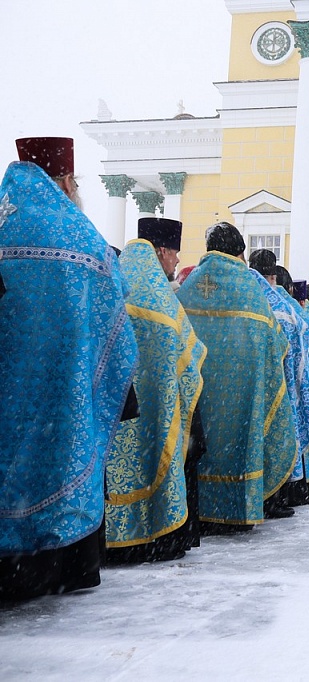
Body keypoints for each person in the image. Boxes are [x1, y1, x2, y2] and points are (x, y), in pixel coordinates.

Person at [0, 138, 139, 600]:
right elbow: (115, 330)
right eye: (75, 181)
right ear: (63, 181)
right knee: (61, 453)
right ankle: (58, 567)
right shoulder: (76, 234)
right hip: (61, 393)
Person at [177, 222, 296, 532]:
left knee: (199, 445)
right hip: (240, 397)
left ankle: (198, 507)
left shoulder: (189, 287)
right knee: (238, 443)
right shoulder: (249, 290)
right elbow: (277, 344)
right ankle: (234, 509)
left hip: (199, 396)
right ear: (241, 253)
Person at [105, 219, 208, 564]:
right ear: (162, 250)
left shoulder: (114, 279)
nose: (177, 262)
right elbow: (189, 368)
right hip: (153, 412)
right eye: (175, 253)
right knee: (153, 458)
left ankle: (112, 535)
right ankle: (154, 534)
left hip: (114, 409)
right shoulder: (162, 300)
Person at [249, 249, 309, 513]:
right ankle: (276, 496)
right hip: (281, 384)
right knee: (278, 436)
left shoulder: (244, 295)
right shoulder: (282, 306)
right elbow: (302, 340)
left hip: (249, 384)